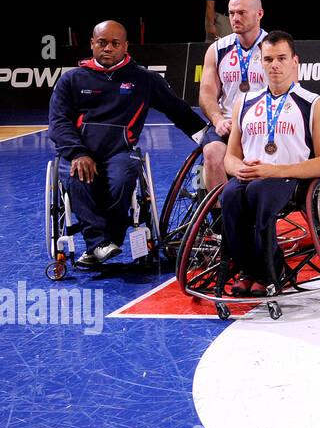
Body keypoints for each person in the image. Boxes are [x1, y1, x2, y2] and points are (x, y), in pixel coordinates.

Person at [48, 20, 205, 269]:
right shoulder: (72, 80)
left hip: (119, 152)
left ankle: (103, 244)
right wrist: (77, 153)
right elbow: (58, 122)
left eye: (115, 43)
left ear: (125, 46)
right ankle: (99, 244)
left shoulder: (144, 79)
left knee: (123, 178)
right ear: (92, 44)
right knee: (76, 175)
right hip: (79, 153)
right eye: (102, 42)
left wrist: (207, 138)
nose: (108, 48)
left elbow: (178, 110)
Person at [222, 31, 320, 295]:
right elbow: (230, 155)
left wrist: (273, 171)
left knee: (258, 193)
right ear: (260, 63)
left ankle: (269, 272)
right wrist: (236, 167)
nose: (275, 64)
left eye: (281, 58)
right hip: (250, 175)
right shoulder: (245, 102)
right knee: (229, 197)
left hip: (291, 178)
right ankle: (247, 270)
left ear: (295, 61)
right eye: (269, 59)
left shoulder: (314, 104)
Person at [197, 0, 266, 199]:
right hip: (227, 122)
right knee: (211, 152)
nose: (235, 18)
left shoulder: (273, 47)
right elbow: (207, 92)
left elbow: (287, 91)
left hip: (263, 124)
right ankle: (220, 221)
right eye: (232, 13)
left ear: (259, 14)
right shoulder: (217, 49)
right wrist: (217, 120)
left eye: (242, 13)